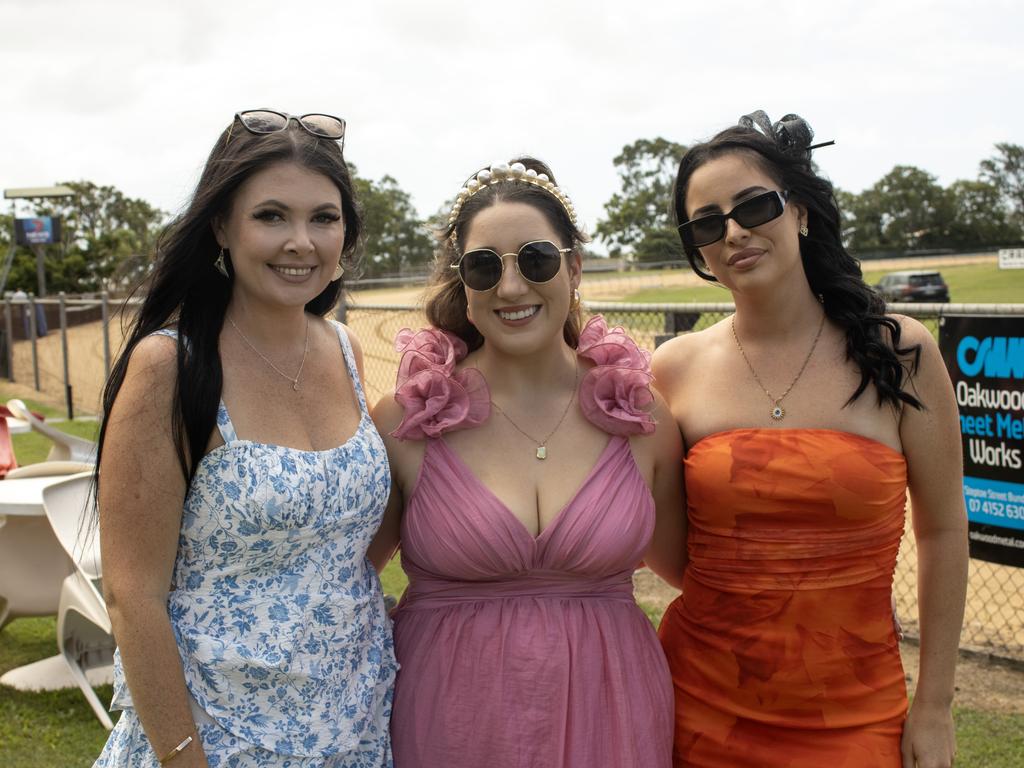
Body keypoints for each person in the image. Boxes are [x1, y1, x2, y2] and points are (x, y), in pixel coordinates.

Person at [654, 111, 968, 768]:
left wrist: (934, 705)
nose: (734, 231)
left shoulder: (900, 351)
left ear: (798, 211)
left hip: (855, 715)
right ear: (698, 248)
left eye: (754, 206)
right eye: (707, 222)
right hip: (699, 709)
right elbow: (666, 541)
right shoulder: (674, 368)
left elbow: (942, 529)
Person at [94, 109, 396, 768]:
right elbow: (132, 594)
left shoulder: (346, 351)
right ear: (221, 228)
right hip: (217, 738)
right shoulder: (171, 366)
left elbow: (350, 537)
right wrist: (183, 759)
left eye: (324, 217)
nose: (301, 242)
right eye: (271, 216)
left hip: (353, 727)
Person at [369, 158, 686, 768]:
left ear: (572, 266)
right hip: (450, 725)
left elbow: (693, 573)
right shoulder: (405, 421)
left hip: (613, 718)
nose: (511, 288)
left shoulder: (643, 417)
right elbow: (343, 582)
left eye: (535, 259)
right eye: (484, 267)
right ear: (463, 283)